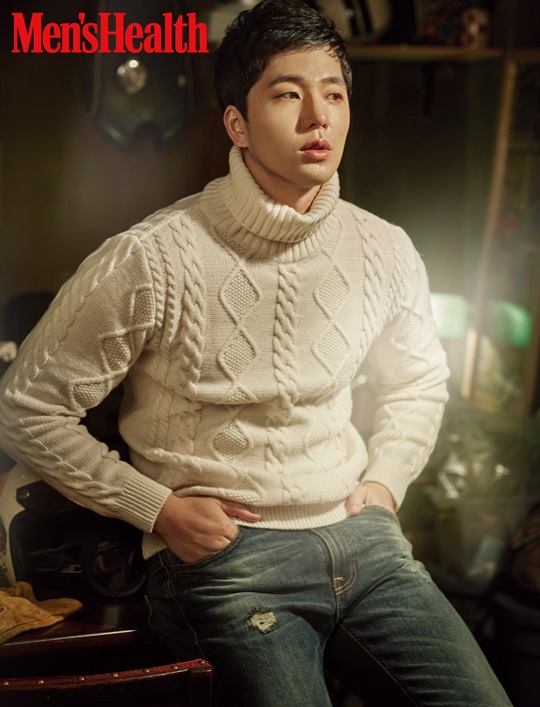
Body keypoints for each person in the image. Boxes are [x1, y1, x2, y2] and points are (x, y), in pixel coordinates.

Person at [0, 1, 512, 705]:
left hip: (364, 540)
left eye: (334, 94)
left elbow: (419, 379)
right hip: (228, 559)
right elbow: (26, 407)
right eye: (288, 95)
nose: (318, 117)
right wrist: (158, 510)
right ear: (237, 123)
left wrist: (387, 480)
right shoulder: (151, 258)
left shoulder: (385, 247)